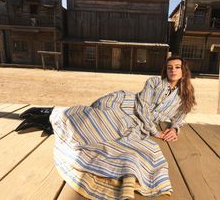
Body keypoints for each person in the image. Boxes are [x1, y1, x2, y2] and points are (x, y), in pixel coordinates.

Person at [16, 56, 196, 199]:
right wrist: (155, 131)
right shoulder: (154, 82)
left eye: (177, 67)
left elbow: (180, 117)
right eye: (170, 67)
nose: (173, 70)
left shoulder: (184, 96)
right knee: (95, 116)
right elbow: (142, 107)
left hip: (136, 122)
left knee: (106, 128)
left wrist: (175, 129)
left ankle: (50, 123)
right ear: (166, 70)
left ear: (183, 70)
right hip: (127, 105)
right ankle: (49, 113)